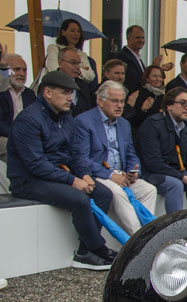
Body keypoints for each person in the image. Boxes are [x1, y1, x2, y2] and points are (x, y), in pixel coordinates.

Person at [6, 71, 115, 270]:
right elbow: (36, 164)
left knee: (103, 194)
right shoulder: (28, 120)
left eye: (71, 94)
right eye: (65, 93)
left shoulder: (65, 117)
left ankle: (85, 252)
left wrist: (84, 174)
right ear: (47, 92)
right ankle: (99, 248)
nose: (70, 98)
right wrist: (73, 181)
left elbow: (75, 153)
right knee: (80, 199)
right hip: (28, 180)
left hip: (56, 174)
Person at [73, 80, 157, 235]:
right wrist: (111, 175)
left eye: (122, 101)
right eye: (115, 101)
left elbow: (131, 153)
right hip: (98, 175)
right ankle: (139, 237)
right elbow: (81, 159)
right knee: (116, 192)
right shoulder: (83, 122)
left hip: (122, 174)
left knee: (149, 189)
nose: (120, 105)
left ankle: (145, 234)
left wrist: (133, 171)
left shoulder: (124, 124)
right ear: (100, 101)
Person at [137, 87, 187, 213]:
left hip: (176, 172)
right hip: (153, 173)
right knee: (175, 184)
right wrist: (184, 178)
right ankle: (176, 228)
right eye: (182, 103)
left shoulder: (185, 126)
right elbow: (154, 163)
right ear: (169, 106)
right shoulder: (152, 124)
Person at [114, 25, 174, 94]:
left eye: (143, 38)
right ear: (128, 38)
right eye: (137, 37)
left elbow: (142, 76)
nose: (141, 40)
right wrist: (154, 67)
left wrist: (158, 68)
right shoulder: (123, 56)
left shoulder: (136, 57)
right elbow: (135, 80)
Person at [0, 54, 35, 164]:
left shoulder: (30, 94)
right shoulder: (2, 92)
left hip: (26, 137)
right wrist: (17, 135)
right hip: (5, 136)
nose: (21, 73)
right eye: (16, 69)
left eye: (24, 70)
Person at [44, 19, 96, 85]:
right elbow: (53, 69)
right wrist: (79, 70)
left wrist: (74, 71)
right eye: (72, 31)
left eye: (78, 31)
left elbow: (90, 76)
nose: (76, 34)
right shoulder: (54, 48)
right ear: (63, 32)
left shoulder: (82, 54)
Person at [57, 47, 95, 117]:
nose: (77, 67)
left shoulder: (83, 86)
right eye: (73, 63)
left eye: (79, 63)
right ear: (60, 63)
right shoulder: (50, 85)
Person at [126, 65, 164, 132]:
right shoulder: (138, 94)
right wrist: (143, 110)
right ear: (147, 78)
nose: (158, 79)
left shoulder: (163, 96)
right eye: (154, 76)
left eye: (160, 76)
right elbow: (133, 120)